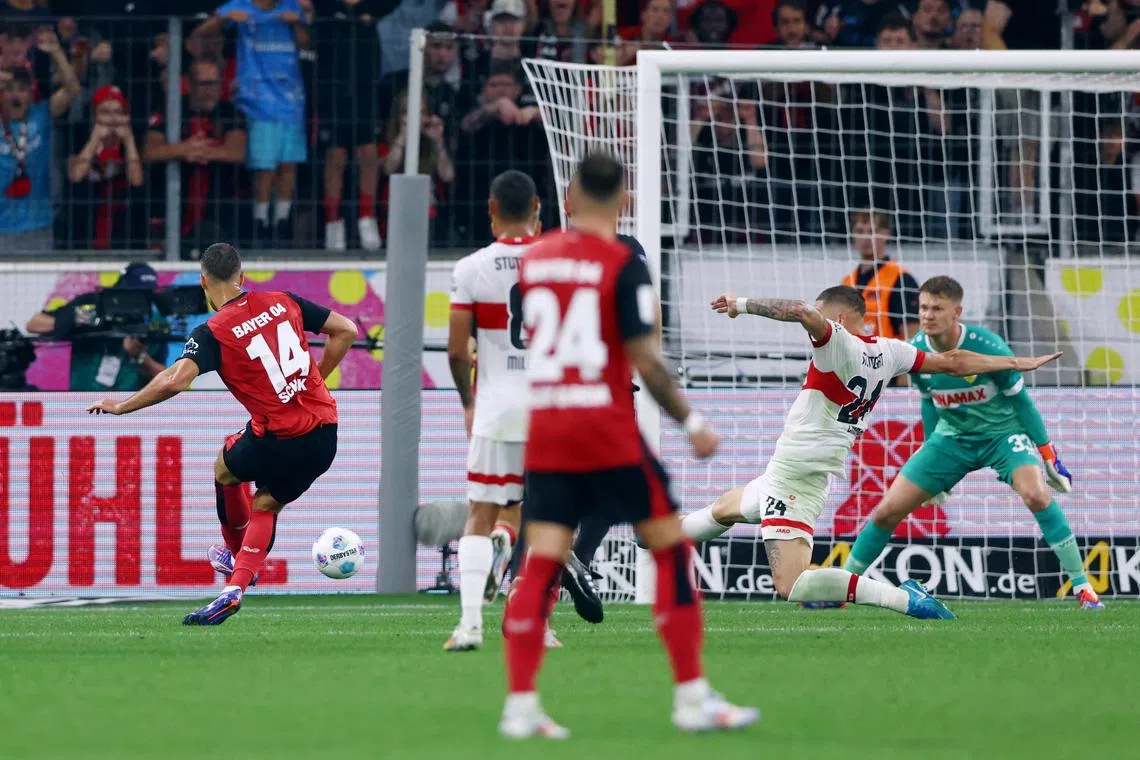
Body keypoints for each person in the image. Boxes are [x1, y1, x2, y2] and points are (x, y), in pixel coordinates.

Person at [500, 152, 759, 738]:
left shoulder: (535, 259)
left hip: (548, 429)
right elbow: (647, 358)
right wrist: (692, 423)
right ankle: (692, 697)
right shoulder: (624, 261)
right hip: (606, 426)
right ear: (624, 199)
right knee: (669, 549)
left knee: (541, 559)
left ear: (568, 200)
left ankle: (521, 707)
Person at [681, 284, 1061, 615]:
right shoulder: (890, 351)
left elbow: (799, 311)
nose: (817, 320)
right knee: (724, 509)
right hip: (787, 471)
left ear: (839, 319)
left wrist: (741, 304)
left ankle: (905, 599)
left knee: (790, 584)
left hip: (797, 479)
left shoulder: (836, 342)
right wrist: (1015, 362)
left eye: (823, 313)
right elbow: (952, 362)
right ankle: (658, 535)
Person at [86, 243, 360, 625]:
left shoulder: (213, 331)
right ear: (242, 277)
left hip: (279, 436)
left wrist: (122, 406)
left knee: (225, 469)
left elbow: (175, 380)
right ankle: (234, 589)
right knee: (266, 504)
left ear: (203, 282)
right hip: (325, 435)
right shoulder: (285, 300)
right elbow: (346, 330)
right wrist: (316, 379)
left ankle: (233, 557)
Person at [844, 276, 1104, 610]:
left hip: (1003, 436)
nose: (928, 315)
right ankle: (842, 587)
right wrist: (929, 450)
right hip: (950, 440)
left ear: (957, 312)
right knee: (886, 512)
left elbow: (1022, 402)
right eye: (923, 308)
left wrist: (1048, 453)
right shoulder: (915, 351)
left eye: (937, 308)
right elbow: (929, 402)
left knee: (1037, 495)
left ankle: (1084, 588)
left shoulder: (988, 346)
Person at [444, 170, 549, 652]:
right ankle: (535, 621)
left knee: (480, 513)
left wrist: (468, 401)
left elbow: (455, 351)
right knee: (545, 514)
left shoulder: (471, 268)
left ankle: (470, 626)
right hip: (550, 409)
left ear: (491, 209)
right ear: (538, 208)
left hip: (496, 408)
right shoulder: (559, 263)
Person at [192, 0, 310, 247]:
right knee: (264, 167)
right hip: (259, 101)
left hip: (291, 100)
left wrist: (298, 23)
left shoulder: (291, 7)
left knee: (288, 165)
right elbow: (201, 32)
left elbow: (306, 43)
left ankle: (281, 222)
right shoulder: (240, 5)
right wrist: (224, 19)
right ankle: (261, 222)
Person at [25, 262, 168, 391]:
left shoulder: (155, 322)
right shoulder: (93, 304)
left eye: (146, 294)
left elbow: (166, 378)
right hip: (84, 400)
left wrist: (140, 357)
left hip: (128, 403)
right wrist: (78, 319)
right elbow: (34, 324)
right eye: (134, 293)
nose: (139, 299)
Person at [0, 29, 82, 253]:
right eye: (9, 90)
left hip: (37, 225)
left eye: (22, 89)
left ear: (30, 94)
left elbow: (73, 89)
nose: (16, 95)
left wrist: (56, 52)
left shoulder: (41, 114)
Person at [314, 0, 384, 252]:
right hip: (331, 85)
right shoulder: (326, 6)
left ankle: (367, 218)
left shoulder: (373, 7)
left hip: (366, 84)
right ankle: (333, 224)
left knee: (368, 152)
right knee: (336, 155)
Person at [65, 85, 144, 250]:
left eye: (118, 112)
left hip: (124, 227)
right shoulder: (79, 135)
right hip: (84, 226)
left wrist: (129, 141)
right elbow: (76, 175)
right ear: (94, 116)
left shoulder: (134, 139)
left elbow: (136, 181)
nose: (112, 119)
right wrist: (94, 140)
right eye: (105, 112)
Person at [842, 210, 921, 341]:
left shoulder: (901, 280)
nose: (866, 238)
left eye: (872, 231)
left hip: (888, 353)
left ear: (886, 234)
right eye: (860, 231)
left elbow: (912, 336)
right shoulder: (847, 282)